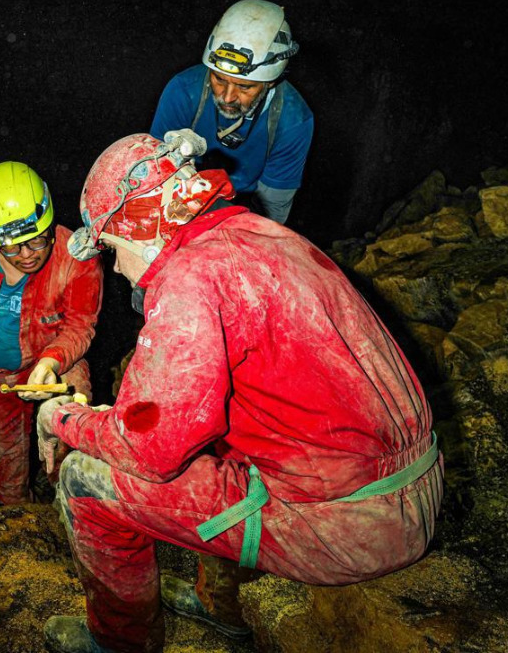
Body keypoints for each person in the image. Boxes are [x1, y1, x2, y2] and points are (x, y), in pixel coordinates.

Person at [38, 131, 443, 652]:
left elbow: (150, 450)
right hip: (414, 488)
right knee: (213, 434)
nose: (115, 267)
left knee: (83, 478)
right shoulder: (265, 234)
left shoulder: (189, 277)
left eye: (112, 248)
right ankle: (221, 604)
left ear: (137, 226)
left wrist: (61, 420)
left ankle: (119, 643)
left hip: (346, 525)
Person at [0, 162, 103, 504]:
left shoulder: (76, 256)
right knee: (7, 451)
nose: (26, 255)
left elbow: (80, 325)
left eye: (37, 240)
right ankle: (17, 513)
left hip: (58, 364)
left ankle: (74, 505)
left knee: (68, 431)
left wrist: (51, 361)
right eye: (11, 247)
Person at [149, 0, 313, 224]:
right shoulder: (184, 91)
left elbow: (273, 206)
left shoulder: (293, 120)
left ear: (270, 82)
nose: (227, 97)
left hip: (244, 207)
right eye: (219, 79)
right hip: (182, 193)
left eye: (244, 87)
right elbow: (154, 172)